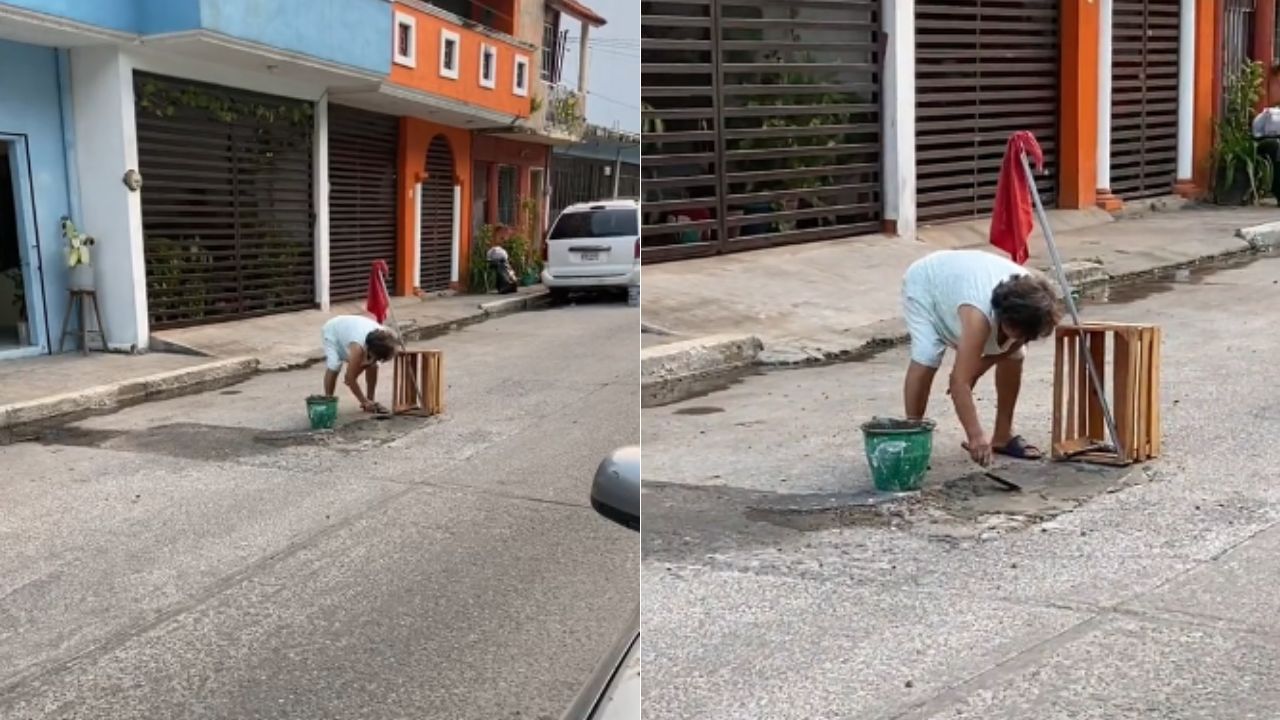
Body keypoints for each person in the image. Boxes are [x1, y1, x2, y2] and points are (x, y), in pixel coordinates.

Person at [900, 249, 1062, 467]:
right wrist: (975, 435)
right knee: (927, 354)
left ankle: (1003, 435)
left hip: (966, 280)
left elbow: (1019, 340)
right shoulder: (979, 316)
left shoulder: (1036, 302)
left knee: (1016, 354)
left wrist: (983, 365)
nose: (1019, 338)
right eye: (1015, 331)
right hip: (927, 283)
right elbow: (959, 382)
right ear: (1003, 317)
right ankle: (912, 437)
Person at [321, 314, 399, 413]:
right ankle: (328, 400)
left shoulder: (385, 336)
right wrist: (363, 401)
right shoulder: (357, 347)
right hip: (333, 331)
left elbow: (385, 352)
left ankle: (370, 399)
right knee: (334, 365)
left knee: (373, 366)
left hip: (351, 331)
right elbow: (349, 379)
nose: (375, 359)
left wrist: (369, 362)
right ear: (369, 348)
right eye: (374, 356)